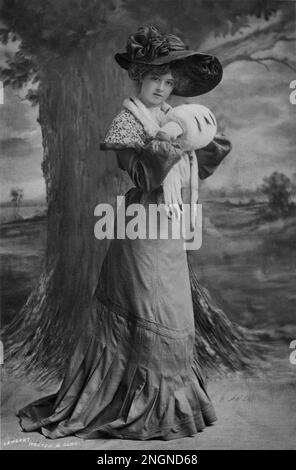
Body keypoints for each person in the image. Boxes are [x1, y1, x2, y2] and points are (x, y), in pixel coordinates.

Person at [17, 25, 255, 441]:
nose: (162, 88)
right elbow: (144, 175)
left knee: (176, 310)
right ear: (137, 77)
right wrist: (170, 143)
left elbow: (193, 169)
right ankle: (133, 402)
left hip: (170, 230)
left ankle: (175, 402)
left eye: (168, 81)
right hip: (140, 227)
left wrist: (200, 139)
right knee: (149, 311)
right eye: (154, 79)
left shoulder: (174, 117)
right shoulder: (128, 121)